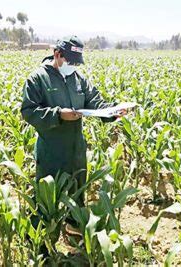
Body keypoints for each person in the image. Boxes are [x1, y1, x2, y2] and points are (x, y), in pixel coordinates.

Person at [21, 36, 126, 207]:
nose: (73, 66)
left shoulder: (79, 79)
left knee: (76, 197)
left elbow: (95, 102)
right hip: (51, 152)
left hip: (76, 149)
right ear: (57, 54)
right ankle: (47, 231)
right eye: (70, 61)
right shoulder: (38, 79)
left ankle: (73, 225)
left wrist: (113, 111)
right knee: (48, 199)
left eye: (76, 63)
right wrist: (59, 114)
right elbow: (28, 111)